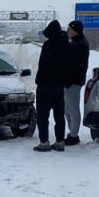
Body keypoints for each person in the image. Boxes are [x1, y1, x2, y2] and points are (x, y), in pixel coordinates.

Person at [33, 19, 67, 152]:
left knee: (42, 115)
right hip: (59, 86)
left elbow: (43, 65)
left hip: (46, 85)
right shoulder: (66, 45)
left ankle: (44, 142)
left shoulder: (48, 45)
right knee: (59, 115)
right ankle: (60, 141)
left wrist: (39, 80)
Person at [64, 20, 90, 146]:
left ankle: (74, 135)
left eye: (70, 29)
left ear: (75, 30)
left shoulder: (79, 45)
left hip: (73, 81)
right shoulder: (77, 43)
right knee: (67, 108)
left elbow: (74, 65)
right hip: (72, 80)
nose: (68, 31)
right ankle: (72, 132)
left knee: (72, 109)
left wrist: (68, 80)